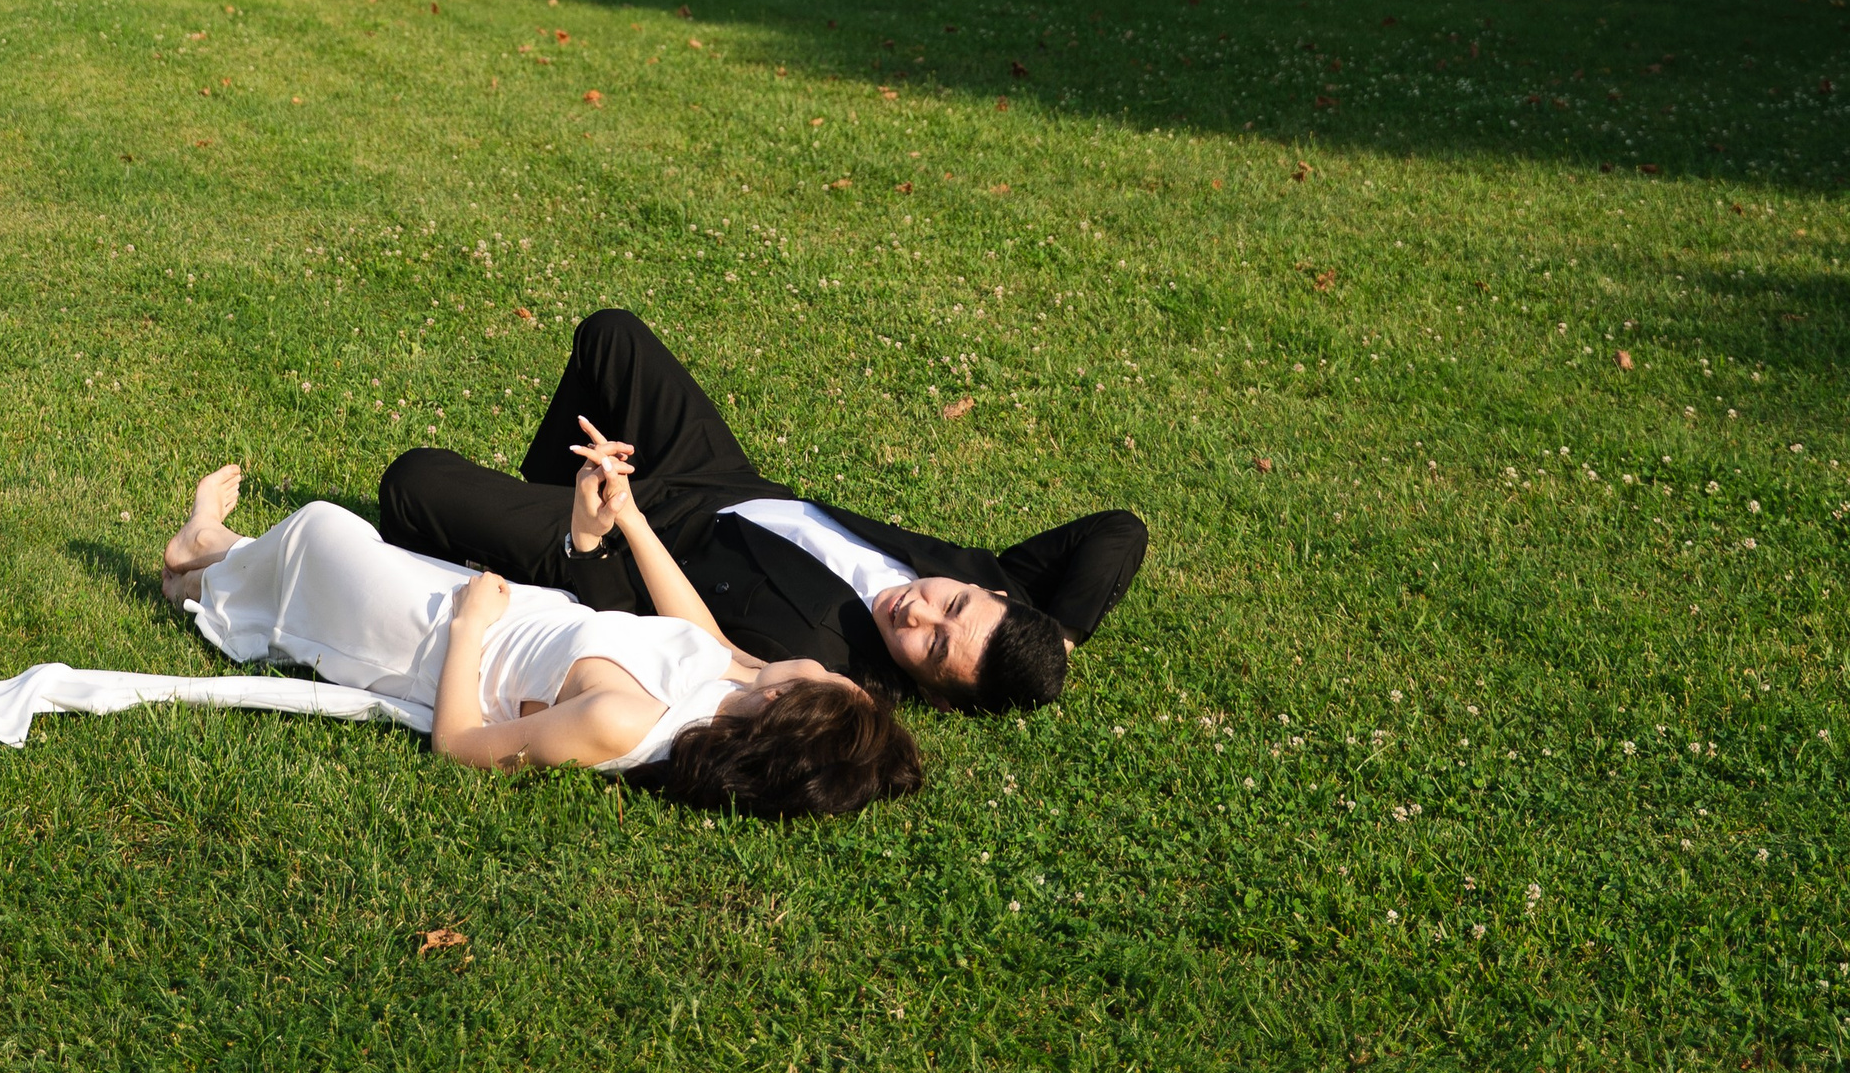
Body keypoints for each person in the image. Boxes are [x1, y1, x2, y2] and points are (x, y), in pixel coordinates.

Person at [378, 309, 1147, 716]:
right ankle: (549, 488)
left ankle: (533, 527)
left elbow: (667, 636)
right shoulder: (988, 583)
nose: (920, 613)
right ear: (996, 596)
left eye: (935, 649)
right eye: (952, 605)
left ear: (937, 690)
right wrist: (1067, 634)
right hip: (719, 476)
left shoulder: (823, 663)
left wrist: (594, 536)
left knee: (411, 481)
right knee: (611, 335)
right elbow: (1117, 532)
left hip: (630, 540)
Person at [158, 437, 923, 821]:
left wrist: (471, 626)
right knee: (324, 542)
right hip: (496, 600)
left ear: (781, 720)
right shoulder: (737, 681)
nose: (819, 667)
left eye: (821, 682)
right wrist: (623, 513)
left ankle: (202, 557)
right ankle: (202, 563)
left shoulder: (627, 722)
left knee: (323, 530)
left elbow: (459, 746)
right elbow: (700, 629)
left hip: (440, 637)